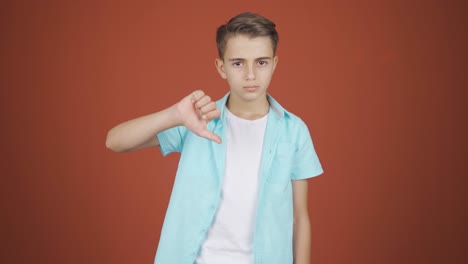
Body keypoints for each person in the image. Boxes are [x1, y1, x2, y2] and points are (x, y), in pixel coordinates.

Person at [106, 12, 323, 264]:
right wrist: (173, 114)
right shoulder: (198, 120)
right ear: (222, 67)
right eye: (238, 63)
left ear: (275, 63)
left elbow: (300, 217)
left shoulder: (294, 131)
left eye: (261, 62)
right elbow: (115, 141)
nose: (250, 75)